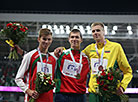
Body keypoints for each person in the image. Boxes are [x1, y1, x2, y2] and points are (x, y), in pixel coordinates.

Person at [82, 22, 133, 102]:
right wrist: (63, 50)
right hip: (94, 94)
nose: (95, 33)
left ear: (104, 32)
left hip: (111, 93)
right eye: (93, 31)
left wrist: (122, 86)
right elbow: (76, 56)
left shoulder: (116, 47)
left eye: (98, 30)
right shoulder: (89, 49)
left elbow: (128, 71)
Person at [15, 28, 57, 102]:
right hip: (33, 98)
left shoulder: (53, 59)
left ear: (51, 40)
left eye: (49, 39)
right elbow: (18, 78)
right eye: (44, 39)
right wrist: (28, 91)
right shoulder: (29, 56)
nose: (46, 42)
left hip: (48, 98)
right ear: (39, 39)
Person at [54, 29, 90, 102]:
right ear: (69, 39)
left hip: (80, 96)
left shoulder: (85, 58)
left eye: (77, 37)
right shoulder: (61, 54)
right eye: (72, 37)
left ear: (81, 40)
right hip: (62, 95)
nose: (74, 39)